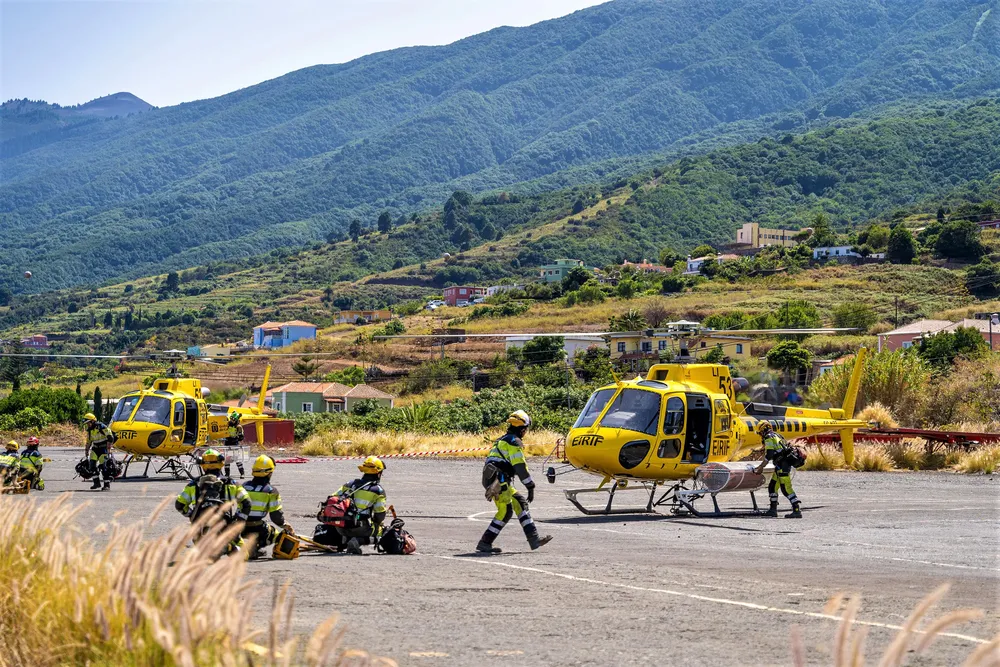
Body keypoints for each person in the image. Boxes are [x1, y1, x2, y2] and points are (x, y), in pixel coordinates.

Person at [476, 410, 553, 553]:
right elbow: (520, 466)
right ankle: (485, 542)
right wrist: (530, 485)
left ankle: (534, 539)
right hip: (499, 481)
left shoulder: (503, 439)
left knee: (520, 503)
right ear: (522, 429)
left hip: (495, 479)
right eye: (526, 429)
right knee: (505, 511)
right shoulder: (513, 442)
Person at [175, 448, 251, 555]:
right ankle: (228, 547)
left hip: (200, 532)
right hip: (226, 528)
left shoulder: (193, 485)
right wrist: (238, 520)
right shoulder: (231, 483)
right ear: (221, 463)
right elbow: (247, 502)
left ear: (202, 464)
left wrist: (193, 516)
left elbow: (179, 504)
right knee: (244, 555)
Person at [331, 455, 388, 554]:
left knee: (350, 524)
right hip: (360, 528)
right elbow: (380, 515)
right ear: (378, 473)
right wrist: (376, 523)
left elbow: (333, 499)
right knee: (382, 533)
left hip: (340, 527)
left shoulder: (350, 484)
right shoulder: (378, 491)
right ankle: (357, 541)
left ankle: (345, 539)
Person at [242, 455, 291, 559]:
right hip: (258, 528)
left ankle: (251, 547)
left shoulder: (244, 486)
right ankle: (254, 547)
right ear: (270, 473)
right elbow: (276, 516)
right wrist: (285, 526)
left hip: (240, 527)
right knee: (280, 535)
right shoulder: (271, 491)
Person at [754, 421, 802, 519]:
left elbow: (769, 454)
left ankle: (796, 510)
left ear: (763, 430)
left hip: (783, 466)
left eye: (760, 433)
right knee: (772, 487)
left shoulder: (768, 437)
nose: (760, 435)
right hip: (780, 465)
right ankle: (773, 510)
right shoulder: (777, 435)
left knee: (786, 489)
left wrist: (761, 467)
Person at [83, 412, 115, 490]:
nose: (88, 425)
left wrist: (109, 448)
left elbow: (110, 437)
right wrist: (86, 451)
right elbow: (89, 441)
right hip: (95, 449)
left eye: (88, 423)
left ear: (93, 421)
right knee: (92, 465)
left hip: (103, 449)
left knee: (104, 467)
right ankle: (96, 483)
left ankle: (106, 485)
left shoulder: (102, 427)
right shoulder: (90, 431)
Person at [223, 413, 246, 478]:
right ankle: (227, 474)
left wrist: (239, 435)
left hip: (235, 444)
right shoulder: (227, 424)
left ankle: (242, 473)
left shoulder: (238, 427)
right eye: (231, 419)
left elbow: (241, 438)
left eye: (233, 419)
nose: (231, 420)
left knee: (237, 460)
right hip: (227, 444)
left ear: (236, 420)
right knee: (227, 460)